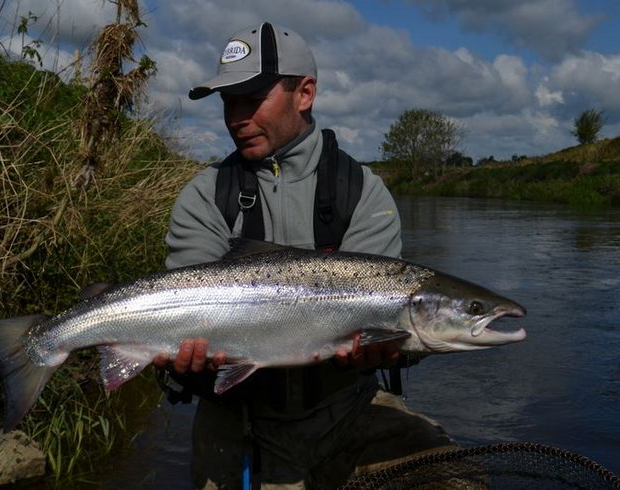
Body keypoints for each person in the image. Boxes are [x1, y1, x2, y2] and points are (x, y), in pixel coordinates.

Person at [154, 22, 455, 489]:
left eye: (251, 99)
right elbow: (187, 311)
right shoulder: (204, 195)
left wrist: (383, 352)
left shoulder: (361, 191)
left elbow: (387, 326)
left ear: (305, 93)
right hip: (236, 419)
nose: (236, 116)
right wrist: (185, 360)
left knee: (450, 475)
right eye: (228, 101)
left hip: (344, 412)